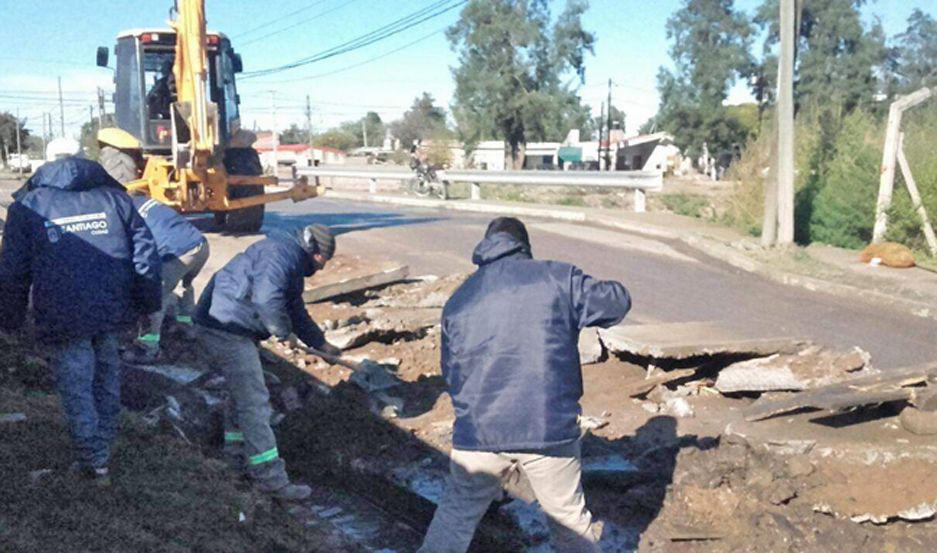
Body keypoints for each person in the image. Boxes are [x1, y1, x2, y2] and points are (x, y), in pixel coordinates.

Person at [419, 217, 632, 553]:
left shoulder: (460, 299)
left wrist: (473, 420)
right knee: (568, 522)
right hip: (546, 431)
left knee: (455, 518)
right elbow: (616, 302)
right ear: (525, 248)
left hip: (479, 436)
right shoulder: (557, 278)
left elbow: (451, 372)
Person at [0, 157, 162, 484]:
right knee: (105, 376)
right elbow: (146, 256)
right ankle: (101, 446)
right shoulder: (116, 199)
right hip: (110, 307)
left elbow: (13, 272)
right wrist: (147, 304)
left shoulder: (30, 205)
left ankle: (94, 461)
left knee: (77, 384)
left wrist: (10, 320)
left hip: (63, 313)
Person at [193, 224, 341, 501]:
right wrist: (282, 332)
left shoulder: (289, 258)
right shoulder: (281, 256)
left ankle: (235, 460)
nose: (322, 267)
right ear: (314, 249)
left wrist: (319, 343)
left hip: (229, 322)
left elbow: (294, 307)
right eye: (324, 260)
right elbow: (267, 299)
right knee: (255, 401)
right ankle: (271, 480)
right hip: (227, 326)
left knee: (242, 397)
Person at [124, 191, 209, 363]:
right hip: (201, 246)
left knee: (154, 297)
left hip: (178, 253)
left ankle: (147, 348)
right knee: (185, 285)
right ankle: (186, 327)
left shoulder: (127, 210)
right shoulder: (152, 203)